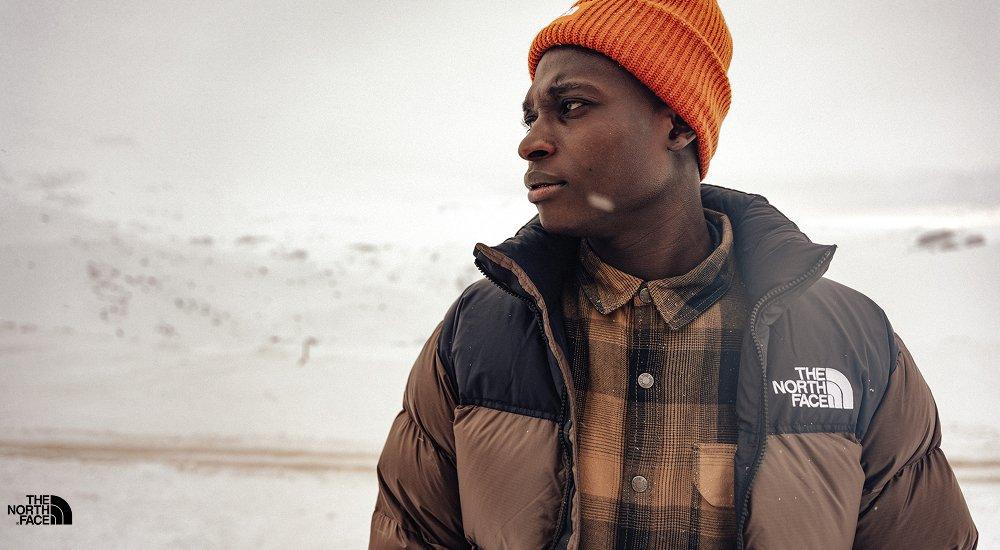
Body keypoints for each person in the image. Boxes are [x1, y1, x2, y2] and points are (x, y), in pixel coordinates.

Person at [369, 1, 979, 548]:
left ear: (679, 123)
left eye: (571, 107)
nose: (531, 143)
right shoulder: (479, 333)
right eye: (530, 116)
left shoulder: (849, 340)